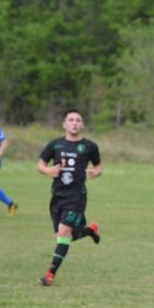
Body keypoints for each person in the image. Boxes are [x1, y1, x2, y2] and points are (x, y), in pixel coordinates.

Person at [36, 109, 102, 286]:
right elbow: (40, 165)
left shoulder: (90, 146)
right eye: (71, 120)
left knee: (64, 232)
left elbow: (99, 166)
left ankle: (50, 274)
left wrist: (96, 172)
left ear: (82, 125)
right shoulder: (55, 145)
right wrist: (48, 170)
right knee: (63, 236)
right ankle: (90, 230)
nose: (74, 123)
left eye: (77, 120)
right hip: (58, 196)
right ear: (64, 124)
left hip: (77, 196)